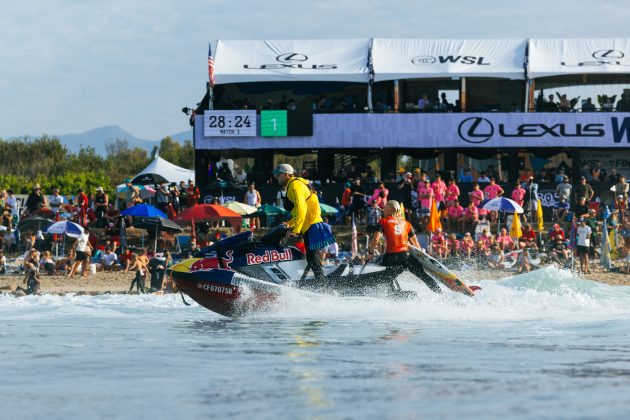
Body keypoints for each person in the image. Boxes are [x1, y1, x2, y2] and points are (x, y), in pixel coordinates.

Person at [367, 200, 474, 296]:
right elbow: (415, 242)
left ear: (391, 209)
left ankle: (392, 293)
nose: (383, 208)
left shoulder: (383, 221)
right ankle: (441, 295)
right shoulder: (406, 223)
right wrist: (420, 256)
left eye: (385, 206)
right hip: (406, 256)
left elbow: (376, 239)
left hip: (391, 257)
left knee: (383, 273)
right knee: (424, 276)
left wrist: (370, 252)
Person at [274, 163, 336, 283]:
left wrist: (296, 230)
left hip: (312, 225)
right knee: (311, 257)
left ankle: (321, 285)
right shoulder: (294, 184)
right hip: (310, 225)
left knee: (312, 257)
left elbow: (302, 208)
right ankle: (316, 281)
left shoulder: (295, 185)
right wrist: (290, 223)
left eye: (278, 174)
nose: (277, 177)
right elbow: (297, 211)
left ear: (286, 174)